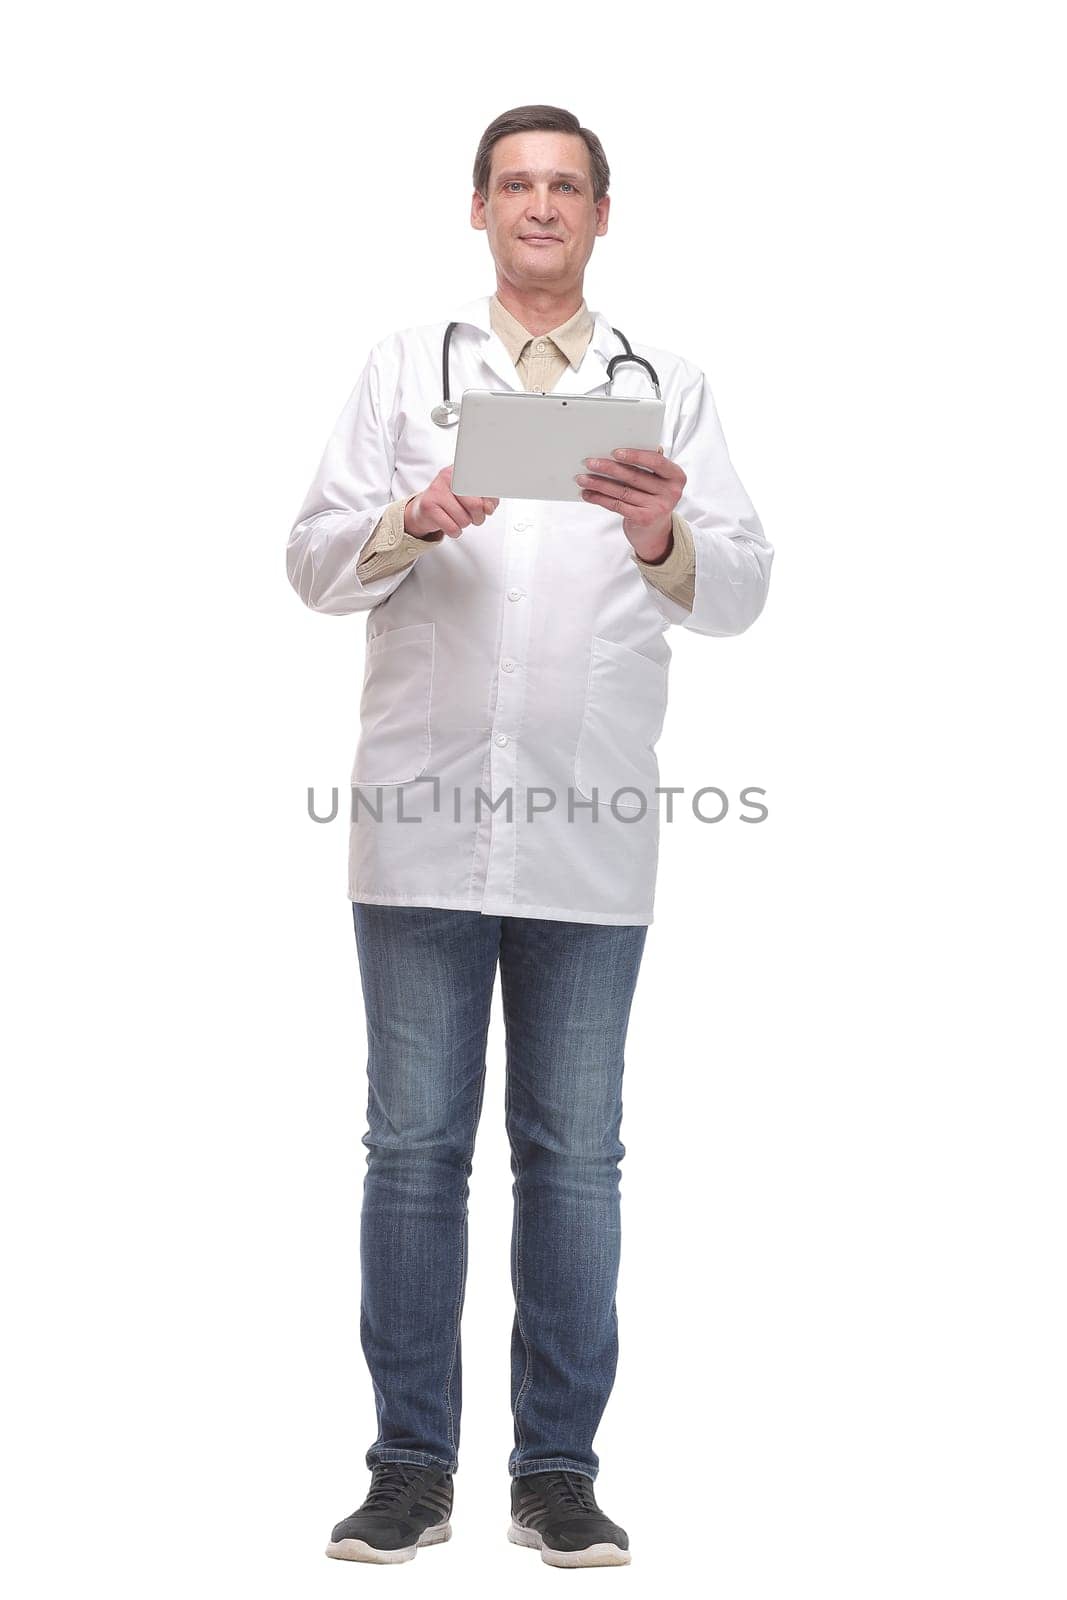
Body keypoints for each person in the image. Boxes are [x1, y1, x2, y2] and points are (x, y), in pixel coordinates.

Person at [286, 104, 773, 1568]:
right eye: (517, 185)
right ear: (480, 208)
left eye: (566, 187)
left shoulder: (664, 387)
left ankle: (557, 1471)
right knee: (415, 1150)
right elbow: (310, 562)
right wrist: (413, 517)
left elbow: (742, 588)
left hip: (590, 823)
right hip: (421, 821)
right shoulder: (404, 370)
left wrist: (655, 534)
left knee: (575, 1158)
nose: (540, 207)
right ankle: (410, 1468)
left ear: (602, 214)